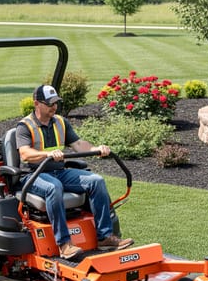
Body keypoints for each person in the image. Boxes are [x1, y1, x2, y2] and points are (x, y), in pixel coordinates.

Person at [16, 84, 134, 259]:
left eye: (56, 103)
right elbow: (25, 153)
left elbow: (78, 144)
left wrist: (96, 149)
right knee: (53, 187)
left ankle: (105, 237)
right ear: (36, 104)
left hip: (59, 172)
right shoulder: (25, 126)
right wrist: (48, 154)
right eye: (49, 104)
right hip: (33, 175)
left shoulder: (60, 122)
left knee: (96, 181)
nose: (54, 107)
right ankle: (64, 244)